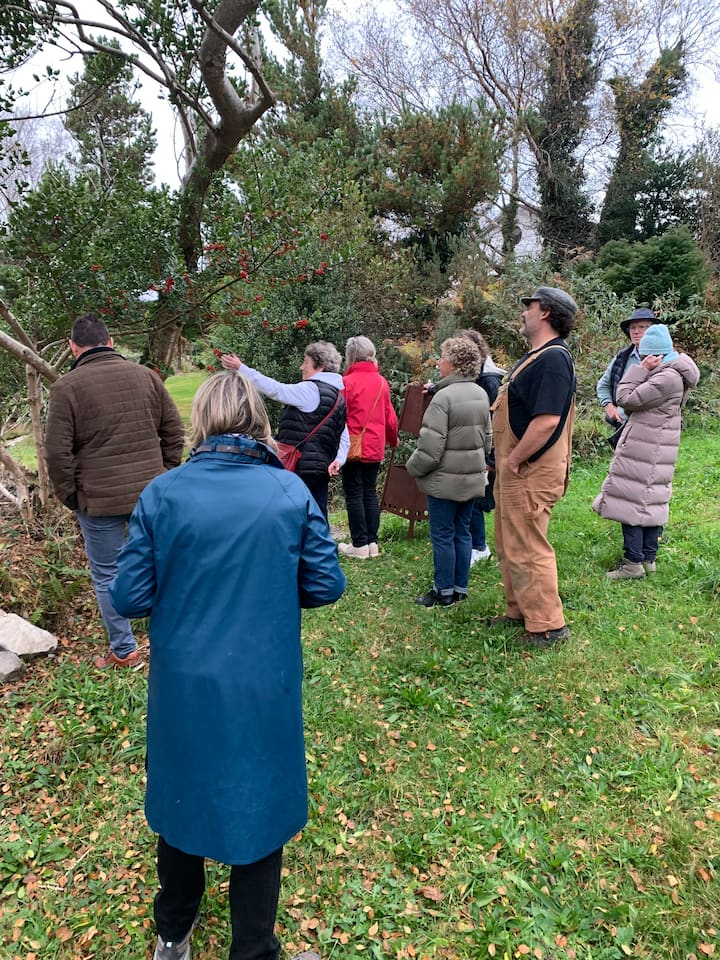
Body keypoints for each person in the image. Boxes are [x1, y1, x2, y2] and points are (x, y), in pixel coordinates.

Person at [109, 371, 346, 960]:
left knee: (183, 791)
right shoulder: (288, 492)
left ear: (201, 421)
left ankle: (173, 934)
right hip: (262, 680)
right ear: (258, 421)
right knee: (259, 802)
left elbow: (129, 596)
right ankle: (253, 949)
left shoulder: (162, 493)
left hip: (183, 681)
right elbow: (325, 584)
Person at [44, 313, 184, 670]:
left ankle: (124, 650)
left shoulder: (66, 388)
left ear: (73, 347)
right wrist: (165, 476)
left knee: (107, 574)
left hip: (98, 499)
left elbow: (57, 454)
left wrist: (71, 496)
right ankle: (171, 638)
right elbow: (174, 430)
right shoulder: (146, 376)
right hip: (151, 496)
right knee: (159, 563)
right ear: (110, 342)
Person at [491, 286, 577, 647]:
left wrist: (514, 459)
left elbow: (546, 421)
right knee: (510, 541)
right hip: (516, 469)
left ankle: (548, 627)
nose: (523, 312)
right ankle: (520, 610)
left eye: (530, 306)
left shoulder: (554, 359)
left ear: (545, 312)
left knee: (528, 545)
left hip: (530, 469)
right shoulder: (535, 357)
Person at [593, 324, 699, 579]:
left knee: (630, 500)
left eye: (644, 354)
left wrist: (640, 369)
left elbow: (625, 399)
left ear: (654, 355)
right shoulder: (673, 373)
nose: (641, 358)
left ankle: (633, 564)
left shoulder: (666, 378)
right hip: (654, 446)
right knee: (650, 501)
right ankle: (648, 560)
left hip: (646, 447)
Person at [406, 337, 492, 607]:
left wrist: (413, 468)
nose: (438, 362)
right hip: (472, 478)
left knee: (442, 534)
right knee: (463, 531)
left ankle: (443, 591)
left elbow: (430, 448)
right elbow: (488, 439)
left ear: (454, 363)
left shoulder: (443, 398)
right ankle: (459, 589)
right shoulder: (480, 394)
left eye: (442, 357)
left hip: (444, 482)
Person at [221, 343, 348, 518]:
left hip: (299, 467)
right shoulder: (338, 398)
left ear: (319, 366)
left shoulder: (310, 390)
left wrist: (241, 368)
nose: (301, 367)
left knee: (292, 514)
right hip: (321, 468)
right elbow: (344, 434)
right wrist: (339, 459)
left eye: (306, 362)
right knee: (318, 514)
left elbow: (276, 390)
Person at [336, 335, 399, 559]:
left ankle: (359, 544)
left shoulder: (346, 382)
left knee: (354, 492)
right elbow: (390, 417)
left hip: (352, 445)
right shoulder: (382, 382)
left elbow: (339, 416)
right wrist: (393, 440)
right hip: (375, 445)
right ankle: (372, 543)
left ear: (350, 356)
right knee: (370, 491)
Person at [457, 330, 505, 565]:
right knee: (469, 498)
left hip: (486, 453)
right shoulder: (474, 377)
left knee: (475, 499)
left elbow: (496, 421)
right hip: (474, 449)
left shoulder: (489, 381)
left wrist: (491, 459)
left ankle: (480, 547)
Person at [596, 307, 656, 429]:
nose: (636, 331)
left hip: (653, 426)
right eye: (632, 328)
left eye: (641, 327)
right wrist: (610, 407)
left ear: (653, 331)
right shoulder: (622, 357)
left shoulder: (662, 358)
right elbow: (603, 385)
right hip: (623, 425)